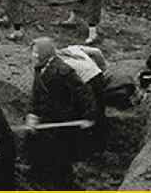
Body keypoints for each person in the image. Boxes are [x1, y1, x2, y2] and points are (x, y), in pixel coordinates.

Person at [25, 37, 97, 189]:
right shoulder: (39, 68)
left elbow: (85, 94)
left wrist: (89, 116)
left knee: (60, 157)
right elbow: (35, 94)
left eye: (36, 52)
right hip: (44, 119)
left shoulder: (64, 71)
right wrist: (31, 113)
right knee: (38, 149)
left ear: (45, 53)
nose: (33, 55)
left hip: (61, 122)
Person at [56, 45, 108, 153]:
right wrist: (103, 68)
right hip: (98, 77)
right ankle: (101, 145)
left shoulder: (58, 65)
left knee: (85, 113)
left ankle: (90, 147)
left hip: (86, 84)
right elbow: (97, 51)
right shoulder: (73, 48)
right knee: (99, 110)